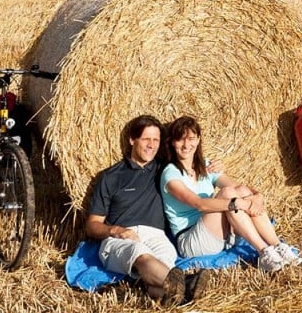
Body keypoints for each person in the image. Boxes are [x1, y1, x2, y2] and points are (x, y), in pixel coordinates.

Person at [85, 114, 213, 306]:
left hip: (156, 236)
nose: (151, 145)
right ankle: (188, 285)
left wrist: (212, 166)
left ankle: (169, 293)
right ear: (132, 139)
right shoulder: (111, 177)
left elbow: (190, 158)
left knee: (165, 261)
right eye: (146, 139)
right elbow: (92, 225)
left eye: (156, 140)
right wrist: (116, 230)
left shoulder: (165, 170)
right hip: (119, 239)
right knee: (140, 252)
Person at [160, 115, 302, 273]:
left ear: (199, 139)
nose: (186, 145)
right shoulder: (170, 174)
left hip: (219, 234)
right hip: (192, 240)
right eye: (180, 139)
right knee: (229, 194)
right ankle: (264, 252)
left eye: (191, 138)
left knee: (241, 191)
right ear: (172, 142)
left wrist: (257, 196)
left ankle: (278, 246)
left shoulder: (206, 166)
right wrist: (239, 203)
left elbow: (239, 187)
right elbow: (198, 204)